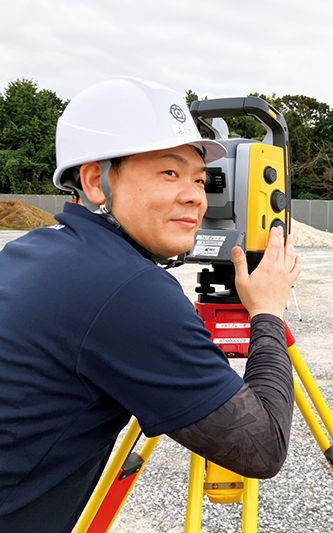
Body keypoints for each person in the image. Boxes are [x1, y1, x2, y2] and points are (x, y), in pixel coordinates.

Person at [0, 77, 301, 532]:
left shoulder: (34, 250)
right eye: (169, 173)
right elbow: (262, 447)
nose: (196, 196)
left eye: (202, 180)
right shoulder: (126, 289)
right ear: (95, 181)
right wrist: (268, 313)